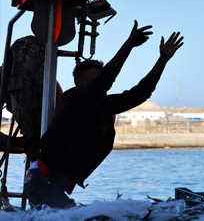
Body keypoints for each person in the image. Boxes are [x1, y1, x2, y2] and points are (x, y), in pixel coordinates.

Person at [23, 20, 184, 209]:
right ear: (82, 84)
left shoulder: (103, 106)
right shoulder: (72, 99)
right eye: (97, 81)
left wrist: (162, 60)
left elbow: (138, 94)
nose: (105, 88)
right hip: (41, 181)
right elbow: (105, 80)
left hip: (54, 184)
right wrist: (128, 45)